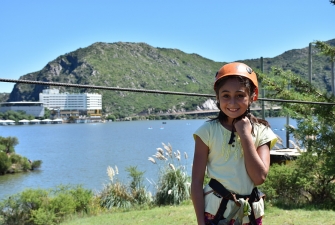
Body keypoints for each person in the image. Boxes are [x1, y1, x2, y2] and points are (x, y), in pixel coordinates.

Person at [191, 62, 278, 225]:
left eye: (240, 95)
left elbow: (259, 177)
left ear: (253, 96)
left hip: (249, 216)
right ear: (217, 97)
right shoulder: (207, 132)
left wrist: (245, 135)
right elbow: (196, 181)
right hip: (215, 215)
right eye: (225, 95)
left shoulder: (261, 132)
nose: (232, 102)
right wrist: (200, 222)